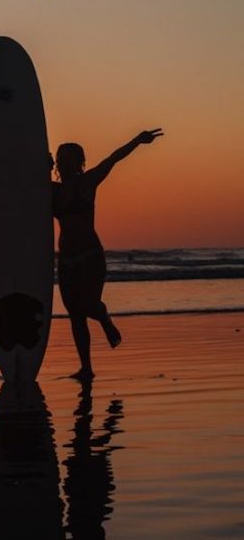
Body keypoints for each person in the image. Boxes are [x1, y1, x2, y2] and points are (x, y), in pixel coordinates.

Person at [52, 129, 163, 381]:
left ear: (79, 161)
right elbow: (24, 186)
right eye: (59, 158)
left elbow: (113, 158)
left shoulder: (88, 182)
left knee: (90, 305)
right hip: (66, 261)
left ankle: (104, 319)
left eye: (67, 157)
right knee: (76, 316)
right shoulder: (51, 190)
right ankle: (86, 368)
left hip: (91, 256)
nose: (62, 161)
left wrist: (137, 140)